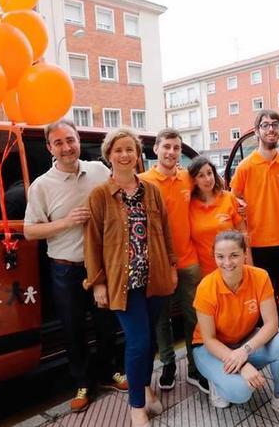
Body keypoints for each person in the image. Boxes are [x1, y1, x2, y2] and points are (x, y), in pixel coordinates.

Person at [23, 119, 127, 412]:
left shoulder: (97, 170)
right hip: (66, 269)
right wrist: (67, 222)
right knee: (73, 329)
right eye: (58, 143)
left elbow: (120, 197)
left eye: (70, 140)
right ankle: (82, 382)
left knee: (108, 324)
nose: (66, 147)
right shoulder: (42, 186)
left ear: (78, 140)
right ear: (49, 148)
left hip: (102, 267)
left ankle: (109, 373)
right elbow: (30, 231)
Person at [83, 128, 178, 427]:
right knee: (137, 341)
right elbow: (92, 241)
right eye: (118, 150)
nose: (125, 155)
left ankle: (146, 387)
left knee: (149, 340)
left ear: (138, 155)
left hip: (155, 278)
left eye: (130, 150)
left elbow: (165, 231)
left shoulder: (151, 191)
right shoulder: (100, 194)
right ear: (108, 155)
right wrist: (97, 281)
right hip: (123, 283)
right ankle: (136, 405)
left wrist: (172, 266)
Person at [192, 231, 279, 425]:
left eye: (234, 255)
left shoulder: (259, 277)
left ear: (245, 254)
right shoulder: (206, 288)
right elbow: (209, 339)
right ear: (213, 256)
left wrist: (245, 351)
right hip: (210, 349)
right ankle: (217, 381)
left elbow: (272, 324)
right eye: (220, 256)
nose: (227, 263)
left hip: (244, 340)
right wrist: (242, 364)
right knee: (240, 393)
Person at [138, 129, 204, 393]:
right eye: (166, 146)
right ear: (155, 149)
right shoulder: (142, 181)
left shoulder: (188, 178)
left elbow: (215, 190)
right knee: (161, 319)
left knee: (194, 316)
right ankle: (167, 364)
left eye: (176, 148)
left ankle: (195, 366)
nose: (171, 152)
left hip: (189, 260)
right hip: (158, 263)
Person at [230, 109, 279, 299]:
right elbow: (232, 199)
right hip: (258, 241)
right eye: (265, 125)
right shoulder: (245, 166)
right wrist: (240, 205)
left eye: (275, 125)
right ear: (257, 131)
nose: (270, 129)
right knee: (264, 295)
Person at [188, 156, 246, 277]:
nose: (208, 179)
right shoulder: (189, 205)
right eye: (201, 175)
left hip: (232, 268)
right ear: (194, 180)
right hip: (205, 273)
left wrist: (249, 264)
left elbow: (243, 233)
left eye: (209, 173)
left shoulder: (228, 198)